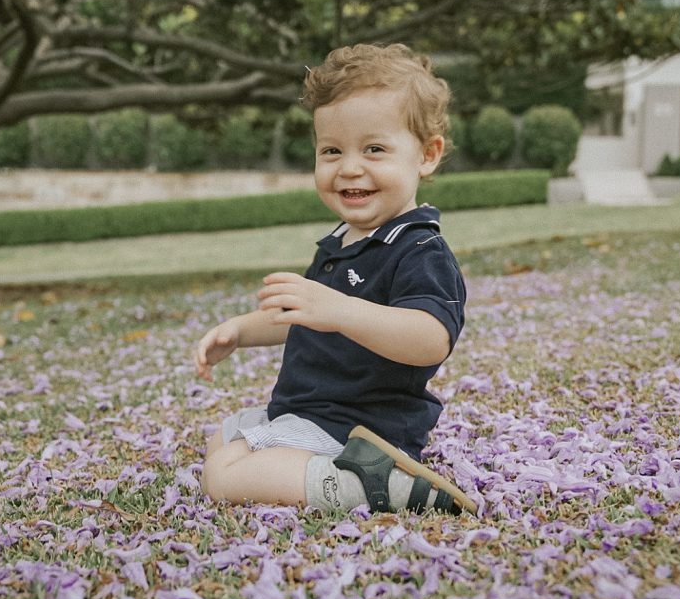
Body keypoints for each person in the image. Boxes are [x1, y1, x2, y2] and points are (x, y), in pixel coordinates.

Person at [194, 43, 475, 515]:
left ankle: (364, 483)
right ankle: (341, 472)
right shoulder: (341, 243)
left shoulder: (419, 249)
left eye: (374, 149)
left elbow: (430, 339)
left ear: (427, 155)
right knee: (222, 440)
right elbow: (301, 317)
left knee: (221, 477)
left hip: (359, 426)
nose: (349, 167)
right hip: (312, 413)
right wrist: (241, 331)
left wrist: (340, 310)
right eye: (331, 150)